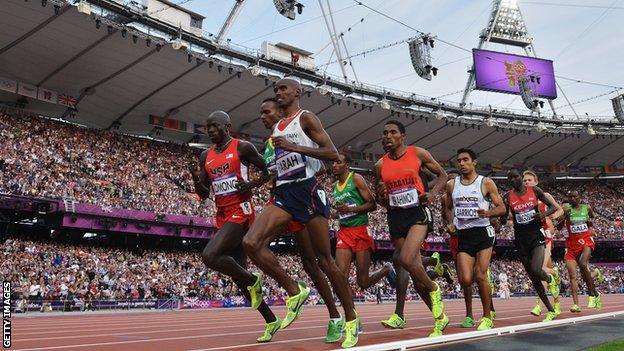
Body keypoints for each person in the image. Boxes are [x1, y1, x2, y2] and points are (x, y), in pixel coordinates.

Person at [243, 78, 359, 349]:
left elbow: (332, 153)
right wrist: (258, 181)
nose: (279, 93)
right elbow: (276, 167)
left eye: (284, 89)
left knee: (324, 262)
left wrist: (296, 148)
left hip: (306, 191)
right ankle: (296, 291)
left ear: (297, 92)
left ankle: (351, 319)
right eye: (276, 90)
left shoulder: (305, 118)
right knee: (251, 242)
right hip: (283, 195)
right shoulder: (275, 133)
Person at [189, 111, 280, 342]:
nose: (210, 130)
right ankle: (271, 320)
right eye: (207, 127)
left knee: (210, 255)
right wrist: (195, 178)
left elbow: (269, 171)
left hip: (242, 211)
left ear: (227, 126)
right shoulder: (205, 156)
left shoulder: (243, 147)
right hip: (222, 214)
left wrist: (250, 184)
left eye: (214, 126)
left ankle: (253, 279)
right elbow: (203, 194)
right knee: (241, 284)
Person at [259, 97, 343, 343]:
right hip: (284, 200)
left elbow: (326, 155)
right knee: (304, 261)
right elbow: (273, 172)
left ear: (279, 112)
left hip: (304, 196)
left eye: (268, 112)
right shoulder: (270, 142)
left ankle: (340, 316)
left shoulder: (299, 125)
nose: (264, 117)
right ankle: (304, 296)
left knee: (318, 262)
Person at [375, 120, 449, 337]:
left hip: (417, 213)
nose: (387, 136)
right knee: (417, 278)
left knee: (406, 260)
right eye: (384, 133)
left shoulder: (418, 154)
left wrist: (433, 194)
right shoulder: (379, 165)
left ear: (402, 136)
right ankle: (440, 319)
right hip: (395, 216)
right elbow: (381, 199)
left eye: (392, 132)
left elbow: (443, 175)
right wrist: (383, 198)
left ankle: (435, 289)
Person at [444, 148, 506, 330]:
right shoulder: (451, 185)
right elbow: (447, 207)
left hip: (483, 232)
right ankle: (469, 314)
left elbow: (502, 208)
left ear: (474, 162)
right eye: (459, 161)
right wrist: (450, 222)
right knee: (465, 278)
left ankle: (487, 317)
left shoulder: (485, 183)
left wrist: (488, 212)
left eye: (465, 160)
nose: (462, 163)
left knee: (479, 274)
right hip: (464, 234)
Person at [503, 169, 560, 322]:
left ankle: (549, 278)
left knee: (536, 269)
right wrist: (497, 217)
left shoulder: (534, 190)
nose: (512, 180)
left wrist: (542, 215)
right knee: (534, 279)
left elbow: (553, 207)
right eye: (509, 179)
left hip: (536, 236)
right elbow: (504, 218)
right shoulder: (508, 196)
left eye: (515, 177)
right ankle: (551, 310)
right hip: (520, 240)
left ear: (520, 178)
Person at [332, 151, 392, 292]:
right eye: (333, 162)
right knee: (340, 278)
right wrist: (335, 214)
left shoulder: (356, 179)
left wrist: (350, 210)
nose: (334, 165)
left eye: (338, 162)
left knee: (363, 282)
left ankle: (386, 269)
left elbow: (372, 205)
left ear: (346, 165)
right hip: (344, 233)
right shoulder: (335, 186)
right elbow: (344, 211)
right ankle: (351, 313)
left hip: (360, 230)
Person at [522, 171, 564, 316]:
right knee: (545, 270)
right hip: (530, 237)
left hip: (545, 235)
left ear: (536, 182)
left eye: (529, 180)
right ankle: (557, 302)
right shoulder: (522, 198)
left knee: (540, 269)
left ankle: (539, 305)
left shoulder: (544, 196)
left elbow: (559, 210)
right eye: (525, 180)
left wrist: (551, 216)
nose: (526, 182)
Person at [560, 191, 601, 312]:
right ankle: (576, 304)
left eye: (575, 196)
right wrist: (564, 219)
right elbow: (558, 227)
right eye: (570, 197)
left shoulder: (586, 207)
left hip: (586, 242)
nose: (573, 199)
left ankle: (592, 294)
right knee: (573, 276)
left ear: (579, 198)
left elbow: (592, 218)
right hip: (571, 247)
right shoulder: (566, 212)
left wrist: (589, 222)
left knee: (583, 264)